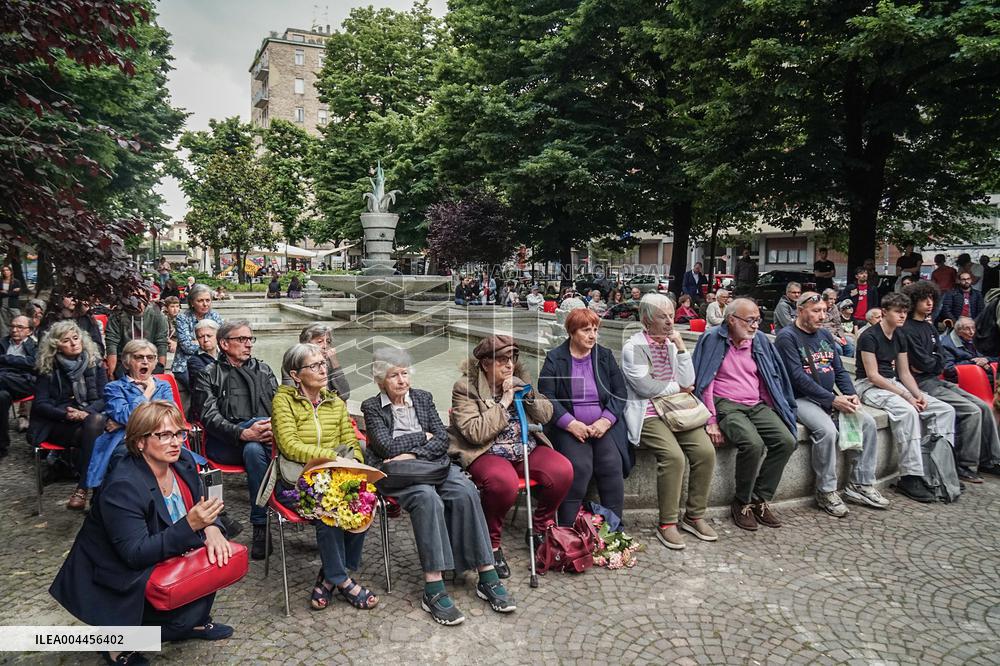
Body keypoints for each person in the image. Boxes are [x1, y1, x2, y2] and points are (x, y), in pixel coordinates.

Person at [50, 401, 234, 664]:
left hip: (166, 544)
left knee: (213, 548)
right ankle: (117, 645)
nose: (175, 442)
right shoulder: (123, 485)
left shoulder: (182, 461)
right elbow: (134, 554)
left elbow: (205, 505)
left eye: (179, 433)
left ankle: (193, 622)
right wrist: (192, 525)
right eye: (164, 435)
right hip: (116, 569)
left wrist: (213, 527)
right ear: (139, 442)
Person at [361, 347, 514, 625]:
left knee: (466, 491)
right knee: (427, 499)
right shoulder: (371, 407)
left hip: (433, 465)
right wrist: (423, 436)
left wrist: (414, 452)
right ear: (381, 379)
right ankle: (433, 587)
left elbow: (442, 440)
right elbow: (386, 447)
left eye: (404, 373)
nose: (401, 381)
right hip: (401, 475)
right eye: (394, 375)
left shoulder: (423, 397)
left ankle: (487, 575)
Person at [449, 336, 573, 576]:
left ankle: (539, 528)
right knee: (502, 483)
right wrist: (504, 402)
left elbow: (546, 415)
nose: (509, 365)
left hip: (524, 448)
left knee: (562, 470)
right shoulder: (465, 388)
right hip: (486, 451)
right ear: (485, 364)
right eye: (502, 360)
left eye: (512, 359)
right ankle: (491, 544)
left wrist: (527, 395)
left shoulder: (520, 380)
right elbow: (475, 432)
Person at [272, 343, 378, 611]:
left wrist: (354, 462)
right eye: (315, 365)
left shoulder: (335, 402)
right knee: (328, 508)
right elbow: (289, 444)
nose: (323, 369)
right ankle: (343, 580)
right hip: (297, 478)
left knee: (363, 498)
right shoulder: (283, 400)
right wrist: (330, 457)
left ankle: (330, 576)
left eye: (323, 364)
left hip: (337, 472)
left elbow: (351, 441)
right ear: (296, 375)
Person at [775, 293, 889, 517]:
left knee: (866, 422)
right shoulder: (786, 337)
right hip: (799, 399)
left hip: (827, 396)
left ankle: (861, 484)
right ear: (800, 311)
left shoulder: (825, 334)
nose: (822, 316)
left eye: (824, 311)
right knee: (826, 431)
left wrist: (851, 395)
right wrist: (832, 400)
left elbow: (839, 370)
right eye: (816, 311)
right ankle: (825, 490)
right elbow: (797, 377)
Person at [692, 298, 797, 531]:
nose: (755, 325)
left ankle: (760, 498)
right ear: (731, 320)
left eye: (758, 320)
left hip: (756, 403)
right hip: (726, 403)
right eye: (750, 320)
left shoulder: (758, 340)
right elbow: (704, 381)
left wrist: (775, 405)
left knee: (787, 440)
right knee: (752, 443)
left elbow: (768, 375)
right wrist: (711, 420)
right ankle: (742, 501)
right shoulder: (713, 338)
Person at [622, 294, 716, 549]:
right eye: (662, 316)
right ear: (646, 320)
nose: (669, 321)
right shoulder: (633, 347)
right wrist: (680, 387)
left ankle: (694, 516)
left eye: (671, 315)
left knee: (706, 452)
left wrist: (682, 348)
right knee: (673, 457)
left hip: (677, 412)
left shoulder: (672, 344)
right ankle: (667, 524)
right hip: (649, 414)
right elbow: (645, 388)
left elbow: (689, 378)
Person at [853, 292, 955, 503]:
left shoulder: (900, 335)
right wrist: (908, 397)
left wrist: (918, 395)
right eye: (898, 312)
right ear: (884, 313)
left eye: (904, 312)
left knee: (944, 410)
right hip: (870, 386)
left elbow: (904, 372)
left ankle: (939, 471)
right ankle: (911, 475)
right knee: (908, 412)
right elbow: (873, 375)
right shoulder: (869, 336)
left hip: (894, 383)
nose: (902, 316)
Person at [193, 319, 277, 559]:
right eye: (242, 339)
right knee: (252, 439)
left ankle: (260, 526)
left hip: (260, 443)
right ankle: (266, 520)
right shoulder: (208, 373)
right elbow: (208, 417)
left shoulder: (264, 370)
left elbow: (279, 406)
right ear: (224, 344)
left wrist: (267, 429)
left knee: (253, 450)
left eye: (250, 339)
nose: (248, 344)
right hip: (224, 443)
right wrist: (242, 431)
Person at [538, 308, 631, 525]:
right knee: (579, 467)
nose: (592, 335)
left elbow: (620, 393)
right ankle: (567, 530)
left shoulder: (604, 356)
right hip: (570, 427)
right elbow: (546, 395)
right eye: (586, 330)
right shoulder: (555, 358)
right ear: (572, 332)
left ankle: (613, 530)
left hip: (602, 425)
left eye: (595, 330)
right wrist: (570, 423)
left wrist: (606, 420)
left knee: (610, 465)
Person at [901, 281, 1000, 483]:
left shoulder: (930, 328)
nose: (929, 303)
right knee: (971, 411)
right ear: (914, 301)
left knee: (982, 406)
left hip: (935, 379)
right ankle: (965, 464)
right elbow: (923, 362)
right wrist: (932, 362)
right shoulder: (907, 329)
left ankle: (991, 459)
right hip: (921, 384)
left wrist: (932, 362)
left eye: (931, 298)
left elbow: (939, 359)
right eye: (924, 299)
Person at [30, 320, 107, 510]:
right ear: (56, 345)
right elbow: (40, 404)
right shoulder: (47, 367)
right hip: (57, 423)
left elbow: (105, 397)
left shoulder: (94, 362)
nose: (74, 343)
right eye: (67, 340)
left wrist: (85, 413)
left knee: (95, 424)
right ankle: (95, 492)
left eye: (76, 337)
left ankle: (83, 488)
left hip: (89, 418)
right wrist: (67, 415)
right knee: (100, 436)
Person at [84, 339, 173, 490]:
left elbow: (169, 416)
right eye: (139, 357)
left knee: (183, 459)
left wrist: (123, 423)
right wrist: (147, 394)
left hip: (161, 436)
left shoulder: (164, 386)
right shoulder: (114, 388)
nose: (145, 362)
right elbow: (125, 416)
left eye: (150, 358)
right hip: (125, 440)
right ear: (126, 363)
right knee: (127, 459)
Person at [104, 288, 169, 379]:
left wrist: (161, 369)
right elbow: (112, 343)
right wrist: (111, 371)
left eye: (140, 298)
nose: (136, 302)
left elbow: (161, 342)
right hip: (124, 362)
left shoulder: (157, 315)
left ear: (147, 298)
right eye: (132, 297)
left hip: (150, 360)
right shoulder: (117, 315)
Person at [172, 284, 224, 389]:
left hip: (212, 360)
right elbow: (186, 347)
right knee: (201, 385)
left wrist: (197, 342)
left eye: (208, 300)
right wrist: (209, 344)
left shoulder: (215, 316)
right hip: (184, 365)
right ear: (191, 302)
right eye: (200, 301)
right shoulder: (182, 318)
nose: (205, 304)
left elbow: (222, 340)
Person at [280, 324, 350, 399]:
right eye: (320, 342)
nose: (325, 346)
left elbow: (345, 395)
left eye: (328, 341)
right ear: (306, 344)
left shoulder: (328, 360)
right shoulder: (293, 359)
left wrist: (335, 363)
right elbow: (290, 395)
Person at [0, 315, 36, 456]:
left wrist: (5, 359)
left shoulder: (35, 345)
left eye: (20, 327)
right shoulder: (3, 343)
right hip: (4, 384)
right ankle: (2, 445)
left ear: (29, 331)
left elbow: (34, 364)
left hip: (24, 382)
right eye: (12, 326)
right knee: (1, 397)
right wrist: (19, 361)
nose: (14, 330)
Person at [37, 293, 106, 357]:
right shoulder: (50, 320)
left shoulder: (87, 319)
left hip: (86, 361)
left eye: (76, 296)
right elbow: (44, 347)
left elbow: (99, 347)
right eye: (69, 296)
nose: (74, 299)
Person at [941, 317, 997, 386]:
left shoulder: (978, 338)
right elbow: (948, 370)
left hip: (984, 371)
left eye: (973, 328)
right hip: (962, 377)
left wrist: (986, 359)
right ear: (958, 331)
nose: (972, 332)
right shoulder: (947, 344)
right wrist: (974, 362)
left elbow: (996, 355)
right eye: (967, 329)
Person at [186, 319, 220, 392]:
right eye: (201, 337)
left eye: (209, 336)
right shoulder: (194, 361)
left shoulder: (225, 354)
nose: (205, 340)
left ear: (217, 336)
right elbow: (208, 381)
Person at [0, 265, 22, 337]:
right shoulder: (0, 281)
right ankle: (5, 338)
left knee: (18, 318)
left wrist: (5, 292)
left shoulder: (16, 281)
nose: (5, 272)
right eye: (3, 270)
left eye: (7, 270)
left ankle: (20, 335)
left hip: (13, 303)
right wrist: (11, 292)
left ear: (10, 271)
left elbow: (17, 294)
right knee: (3, 322)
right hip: (2, 304)